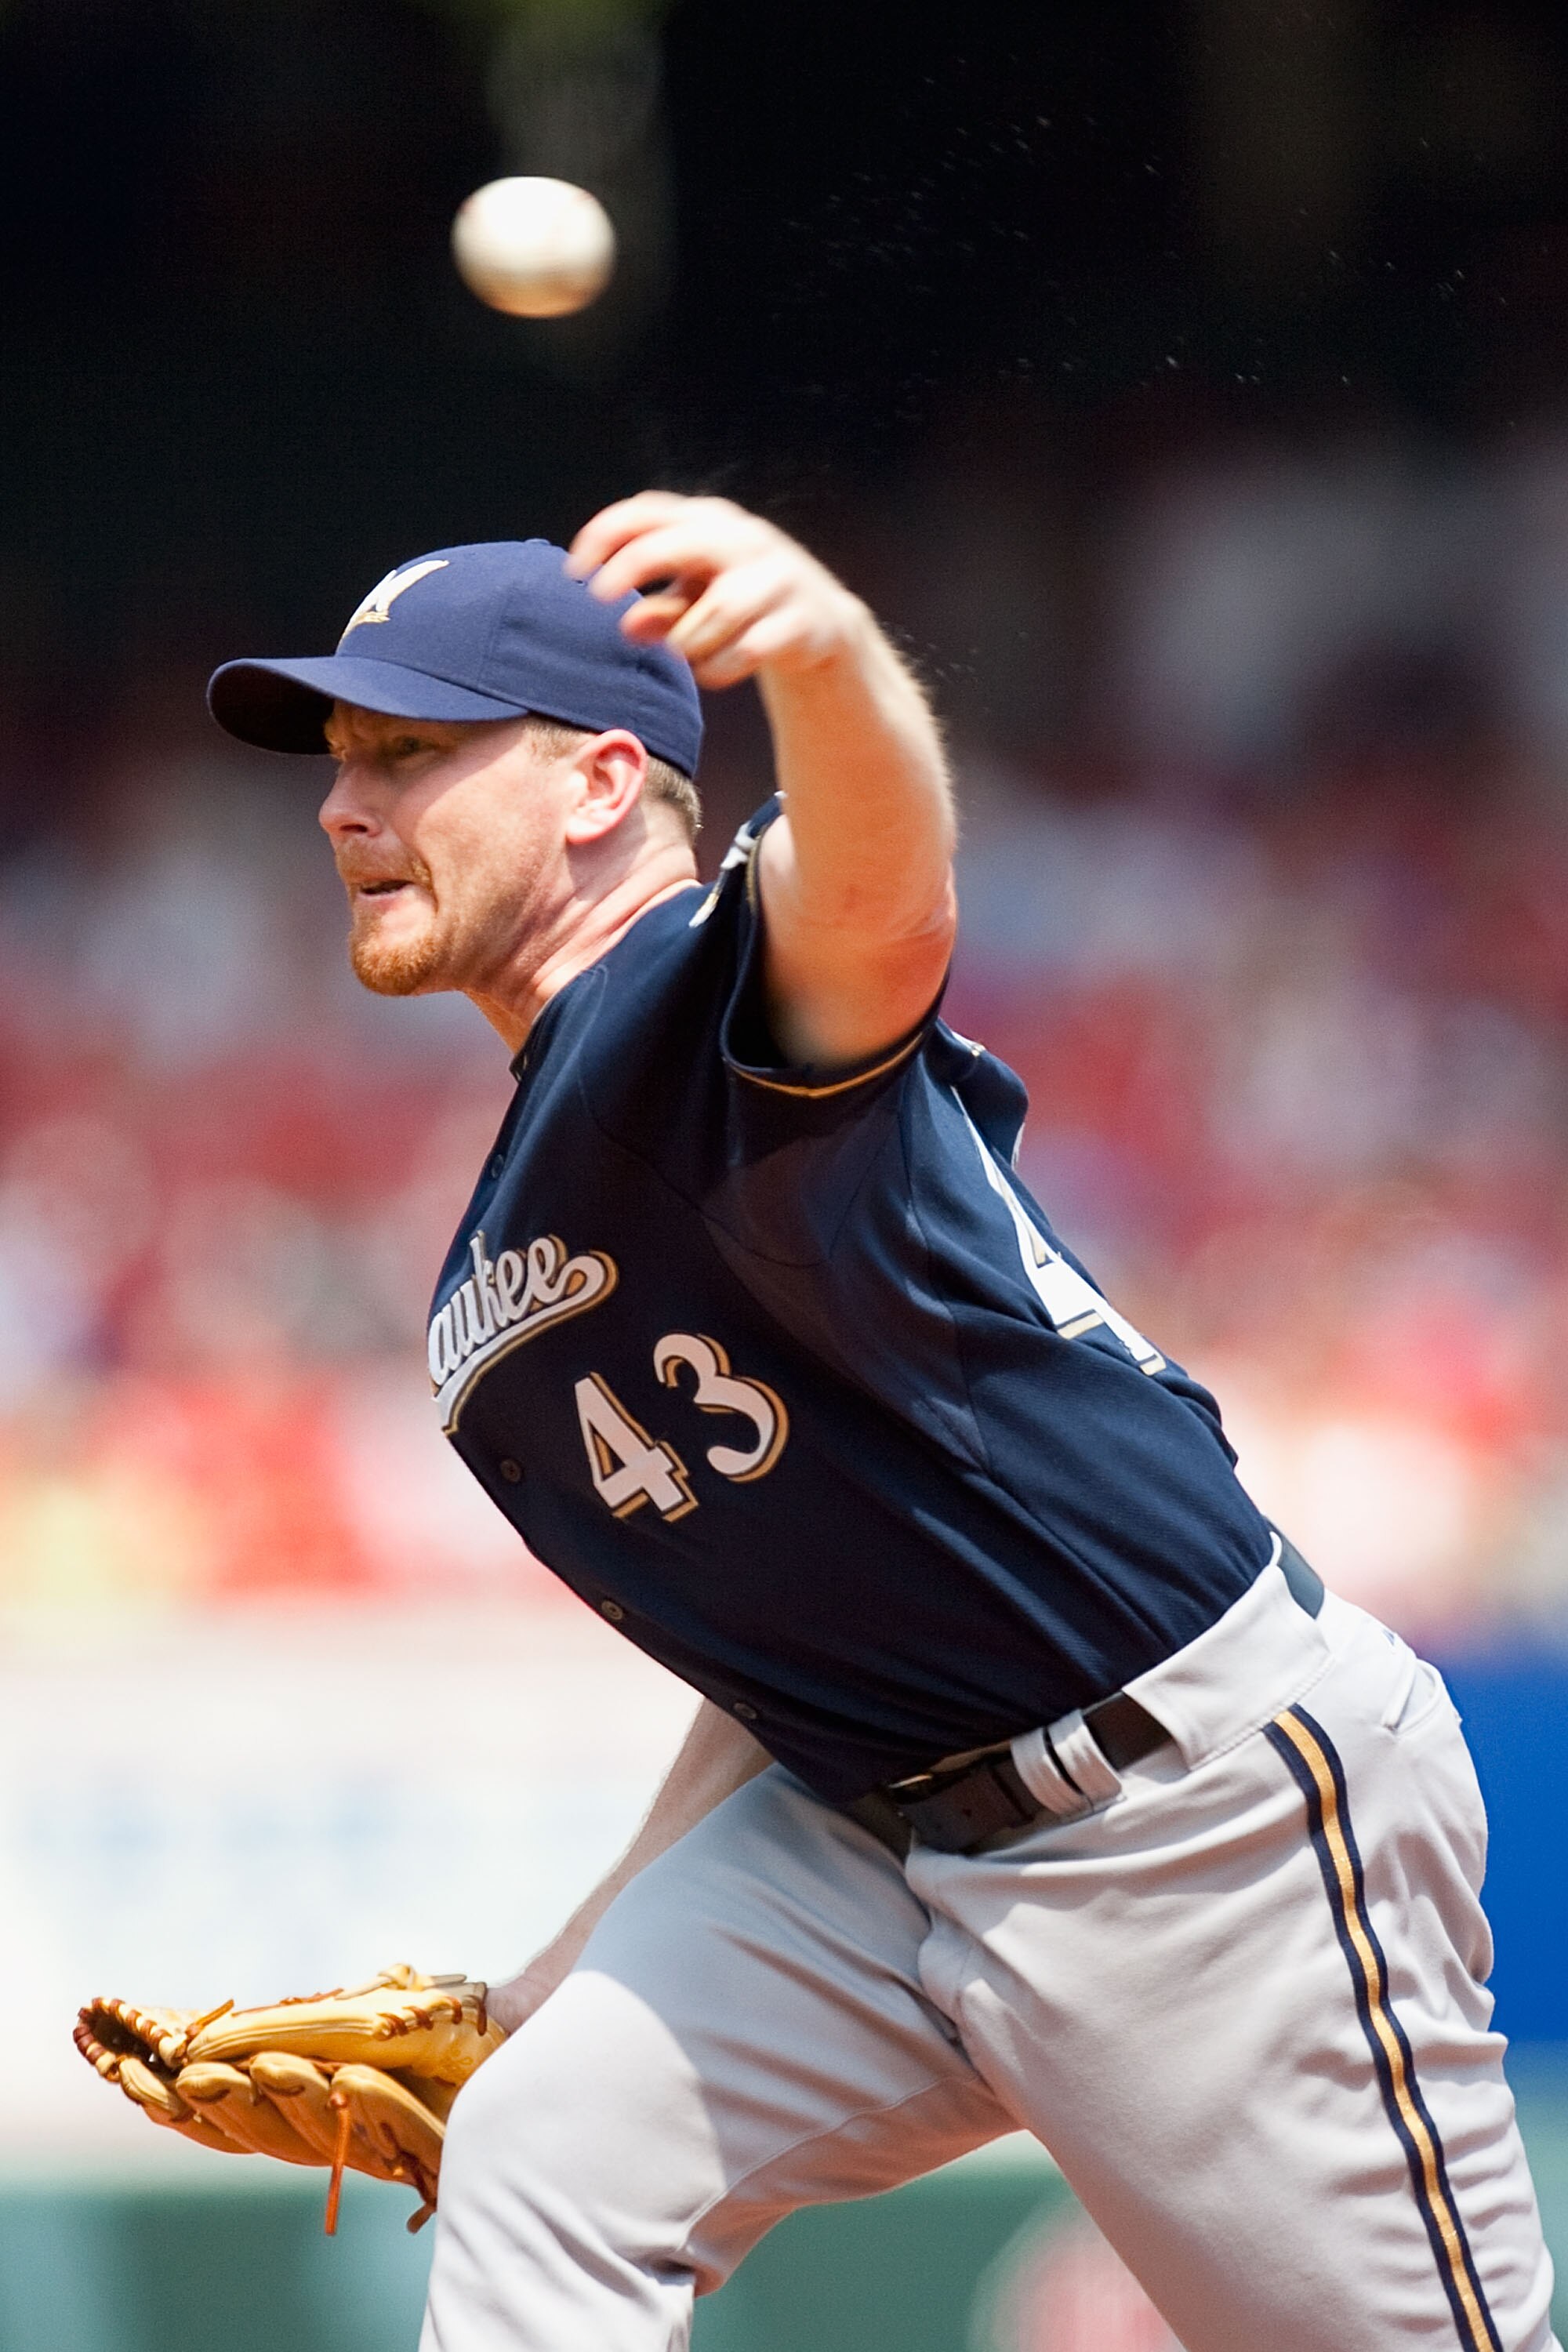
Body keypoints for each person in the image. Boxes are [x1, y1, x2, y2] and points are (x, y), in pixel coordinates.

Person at [208, 495, 1559, 2352]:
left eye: (411, 753)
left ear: (604, 780)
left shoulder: (696, 1003)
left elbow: (883, 898)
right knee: (544, 2144)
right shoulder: (507, 1240)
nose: (344, 807)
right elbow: (786, 1649)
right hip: (874, 1837)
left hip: (1190, 1810)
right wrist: (558, 1969)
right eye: (342, 761)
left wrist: (829, 654)